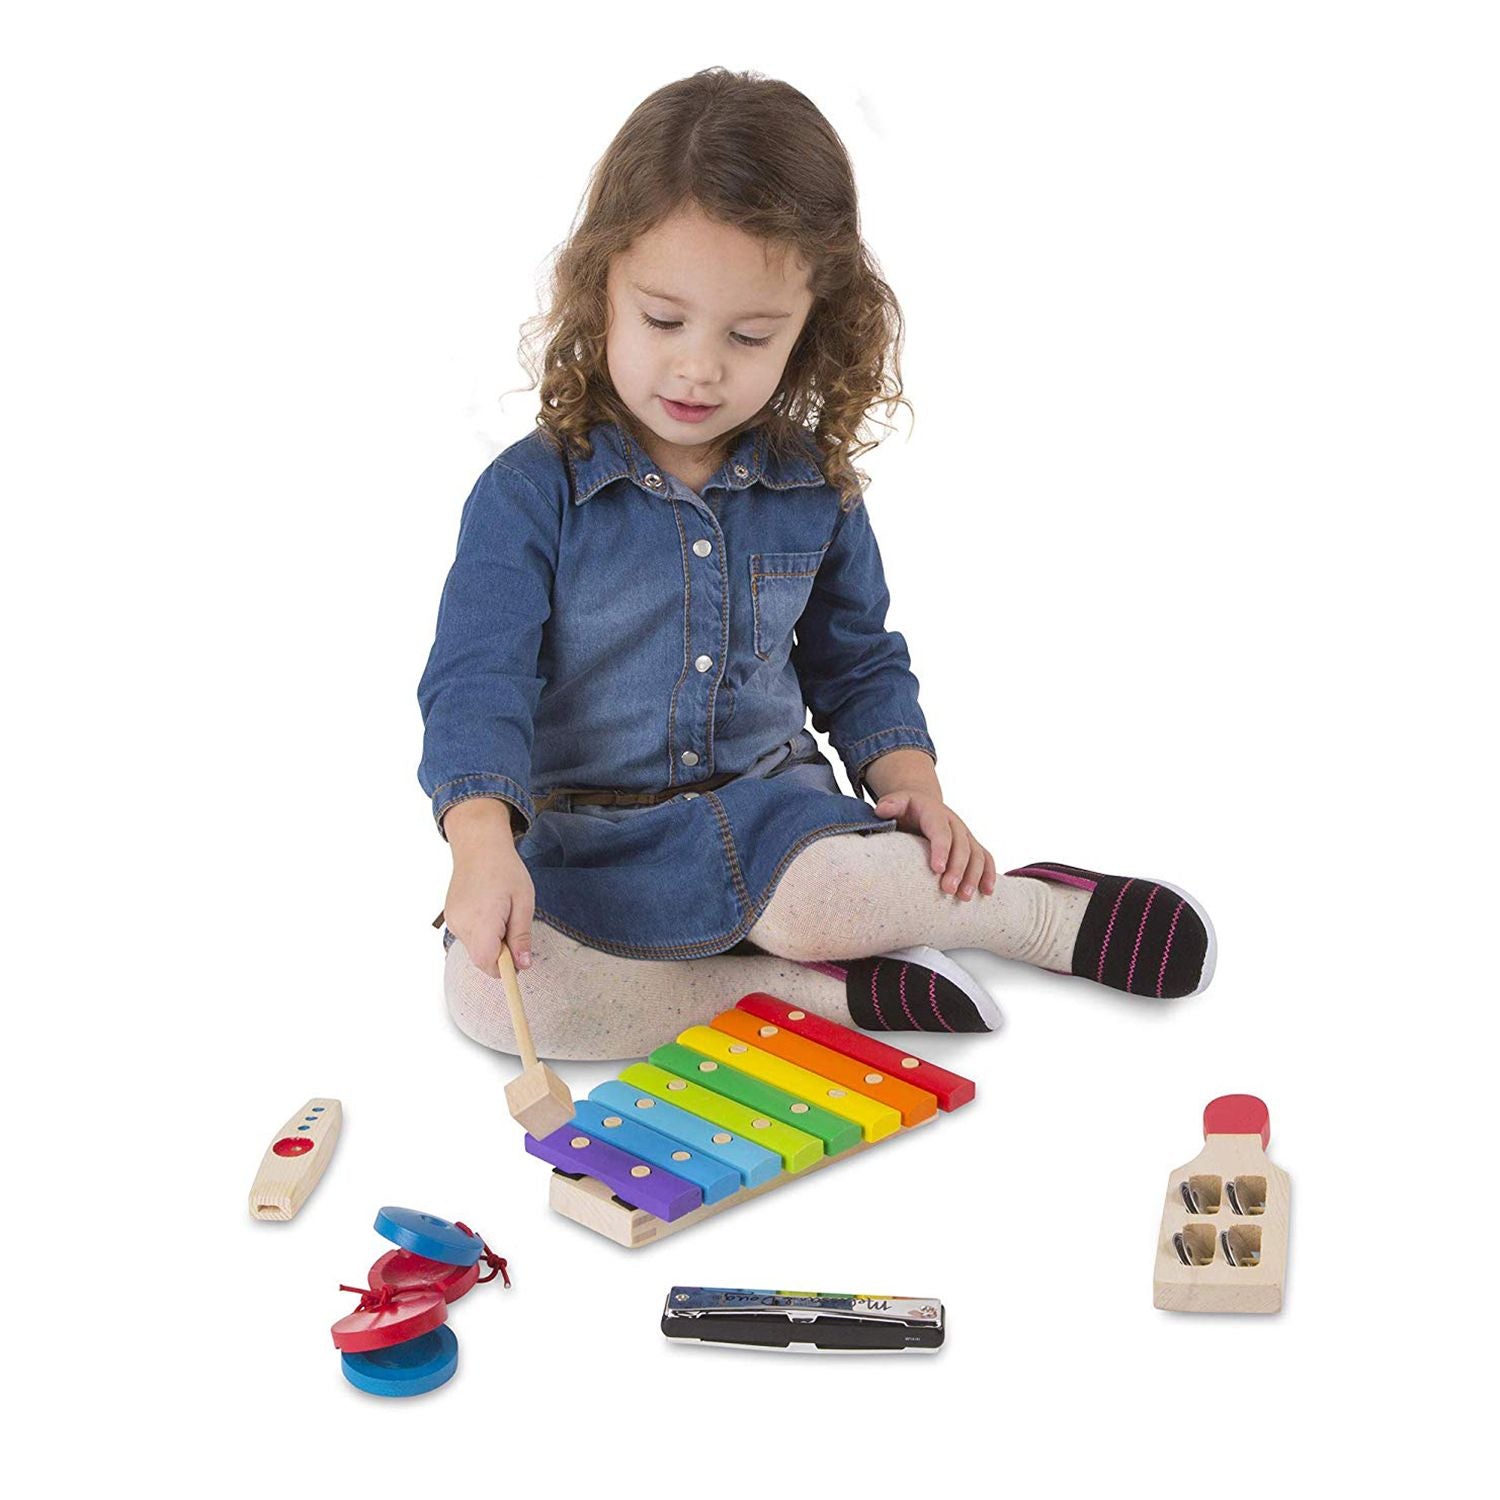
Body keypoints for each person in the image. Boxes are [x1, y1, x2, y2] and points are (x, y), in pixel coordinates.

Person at [417, 68, 1214, 1062]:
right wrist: (481, 844)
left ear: (809, 329)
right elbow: (475, 680)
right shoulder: (527, 492)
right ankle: (805, 992)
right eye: (663, 320)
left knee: (827, 899)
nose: (700, 366)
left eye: (750, 336)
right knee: (490, 1001)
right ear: (600, 290)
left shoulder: (813, 487)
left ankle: (1030, 916)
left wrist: (909, 777)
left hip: (775, 824)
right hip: (589, 843)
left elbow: (857, 659)